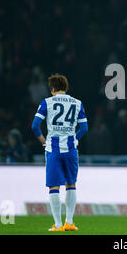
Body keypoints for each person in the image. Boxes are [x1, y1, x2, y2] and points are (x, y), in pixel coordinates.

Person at [31, 74, 88, 232]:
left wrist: (44, 142)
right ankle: (69, 222)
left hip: (53, 148)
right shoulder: (77, 103)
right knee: (71, 184)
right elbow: (84, 128)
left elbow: (35, 126)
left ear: (53, 88)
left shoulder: (47, 102)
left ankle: (57, 225)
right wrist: (74, 139)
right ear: (66, 88)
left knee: (54, 187)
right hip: (71, 149)